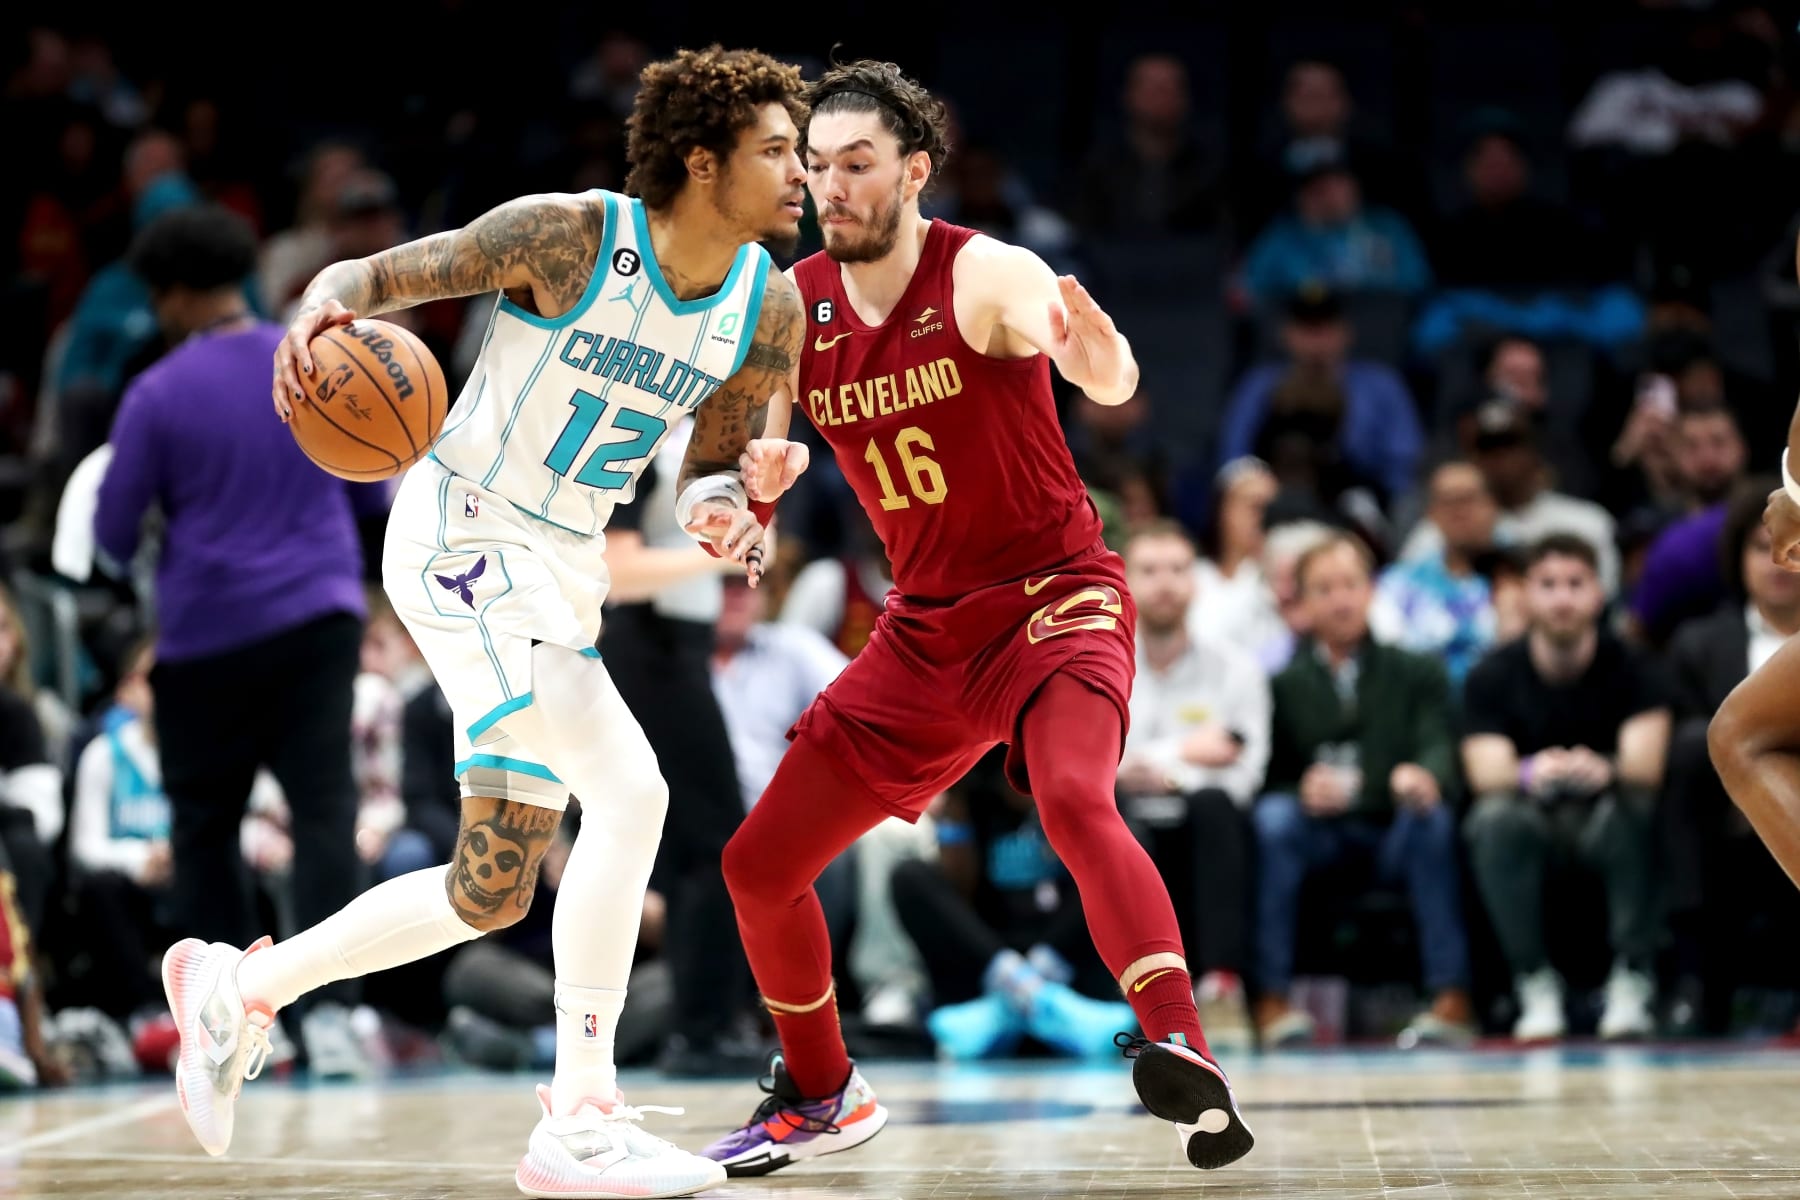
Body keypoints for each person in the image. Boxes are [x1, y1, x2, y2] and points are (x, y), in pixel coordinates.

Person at [160, 46, 810, 1200]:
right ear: (703, 162)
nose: (800, 171)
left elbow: (705, 474)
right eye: (775, 150)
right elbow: (394, 273)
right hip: (463, 532)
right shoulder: (571, 235)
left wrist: (732, 506)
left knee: (542, 855)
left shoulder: (769, 303)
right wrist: (323, 307)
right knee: (534, 826)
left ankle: (250, 992)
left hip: (560, 567)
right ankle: (578, 1122)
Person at [700, 59, 1253, 1178]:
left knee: (1070, 794)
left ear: (914, 171)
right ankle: (818, 1090)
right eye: (816, 167)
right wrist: (733, 508)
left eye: (857, 165)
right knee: (759, 868)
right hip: (927, 631)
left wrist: (1097, 357)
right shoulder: (785, 300)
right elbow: (735, 457)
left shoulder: (982, 270)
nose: (832, 187)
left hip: (1058, 599)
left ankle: (1180, 1041)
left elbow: (1097, 364)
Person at [92, 204, 378, 1072]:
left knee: (206, 830)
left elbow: (110, 529)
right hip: (318, 621)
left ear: (175, 296)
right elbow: (373, 496)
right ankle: (332, 1016)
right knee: (326, 813)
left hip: (207, 637)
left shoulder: (154, 395)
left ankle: (229, 1021)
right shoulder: (313, 362)